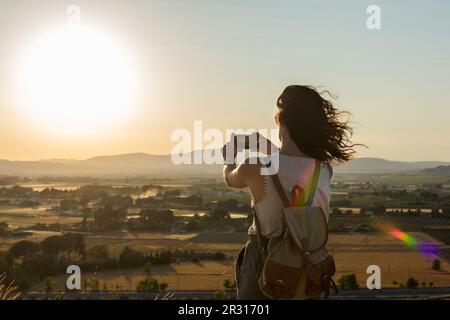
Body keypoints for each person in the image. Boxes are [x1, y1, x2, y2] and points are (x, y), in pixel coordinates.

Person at [222, 85, 357, 299]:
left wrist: (229, 157)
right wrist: (268, 147)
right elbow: (291, 165)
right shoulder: (323, 169)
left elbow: (230, 178)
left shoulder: (254, 166)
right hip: (308, 268)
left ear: (282, 124)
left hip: (266, 267)